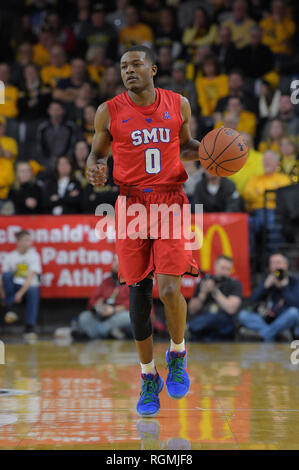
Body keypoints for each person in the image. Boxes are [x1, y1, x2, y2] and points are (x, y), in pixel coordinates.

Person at [86, 45, 201, 418]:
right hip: (130, 202)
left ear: (153, 68)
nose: (128, 71)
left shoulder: (178, 104)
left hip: (170, 201)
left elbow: (186, 148)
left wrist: (214, 152)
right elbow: (97, 154)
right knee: (137, 294)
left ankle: (178, 353)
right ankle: (148, 375)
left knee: (169, 288)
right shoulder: (108, 111)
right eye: (123, 67)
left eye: (136, 65)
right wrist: (94, 166)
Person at [238, 253, 299, 342]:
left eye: (278, 263)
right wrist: (265, 287)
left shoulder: (294, 281)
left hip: (284, 318)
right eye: (272, 263)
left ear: (286, 265)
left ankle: (265, 335)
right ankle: (275, 333)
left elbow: (296, 305)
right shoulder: (266, 279)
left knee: (294, 313)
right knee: (243, 315)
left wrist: (284, 287)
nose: (275, 266)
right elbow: (252, 301)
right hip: (266, 318)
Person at [73, 254, 131, 340]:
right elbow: (92, 302)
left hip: (119, 314)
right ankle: (108, 332)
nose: (117, 264)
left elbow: (135, 304)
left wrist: (113, 310)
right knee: (84, 316)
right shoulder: (106, 282)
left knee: (128, 317)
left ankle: (94, 333)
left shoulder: (133, 282)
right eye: (115, 261)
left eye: (121, 261)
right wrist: (98, 307)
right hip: (103, 316)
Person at [0, 230, 42, 343]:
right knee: (7, 275)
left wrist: (20, 294)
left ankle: (30, 328)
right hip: (12, 286)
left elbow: (30, 279)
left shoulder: (34, 256)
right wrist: (2, 294)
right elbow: (3, 278)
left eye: (30, 240)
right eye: (26, 240)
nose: (30, 243)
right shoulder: (10, 257)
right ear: (18, 241)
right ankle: (10, 309)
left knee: (34, 291)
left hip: (27, 287)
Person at [188, 255, 242, 341]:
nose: (225, 272)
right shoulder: (204, 283)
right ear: (215, 267)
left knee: (213, 319)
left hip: (224, 324)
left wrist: (214, 291)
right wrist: (203, 293)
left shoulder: (234, 284)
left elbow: (231, 309)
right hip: (203, 327)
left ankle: (191, 327)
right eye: (222, 268)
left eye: (228, 269)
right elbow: (191, 310)